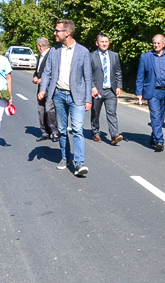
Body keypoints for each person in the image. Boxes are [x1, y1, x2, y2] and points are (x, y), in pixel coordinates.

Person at [39, 19, 93, 176]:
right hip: (59, 95)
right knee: (62, 130)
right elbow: (47, 72)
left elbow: (88, 77)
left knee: (77, 129)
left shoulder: (83, 51)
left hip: (77, 97)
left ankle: (79, 162)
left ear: (67, 32)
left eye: (57, 30)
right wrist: (43, 89)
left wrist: (88, 99)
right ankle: (65, 157)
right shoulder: (54, 51)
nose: (55, 33)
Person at [136, 34, 165, 152]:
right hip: (152, 91)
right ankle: (160, 140)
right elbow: (140, 76)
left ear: (163, 44)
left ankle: (154, 136)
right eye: (154, 43)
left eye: (158, 43)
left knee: (161, 117)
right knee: (155, 115)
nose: (156, 45)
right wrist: (139, 92)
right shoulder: (146, 57)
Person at [90, 33, 124, 145]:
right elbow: (87, 74)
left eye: (106, 42)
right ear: (97, 43)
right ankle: (96, 133)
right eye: (102, 42)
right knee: (95, 113)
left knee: (112, 113)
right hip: (97, 90)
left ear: (109, 43)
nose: (104, 44)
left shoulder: (114, 55)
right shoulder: (91, 56)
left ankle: (114, 135)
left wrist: (119, 86)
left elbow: (118, 71)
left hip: (111, 90)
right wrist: (92, 87)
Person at [32, 37, 58, 142]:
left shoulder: (52, 55)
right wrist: (35, 76)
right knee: (41, 110)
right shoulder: (41, 56)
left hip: (49, 88)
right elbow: (38, 70)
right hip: (40, 87)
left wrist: (43, 79)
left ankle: (54, 132)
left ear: (40, 46)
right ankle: (44, 132)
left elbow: (54, 71)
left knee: (49, 109)